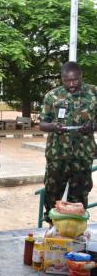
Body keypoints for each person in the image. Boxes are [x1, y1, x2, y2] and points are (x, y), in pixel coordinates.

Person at [39, 61, 96, 224]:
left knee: (79, 195)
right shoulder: (52, 96)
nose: (71, 84)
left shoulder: (93, 93)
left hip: (82, 154)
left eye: (75, 80)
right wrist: (53, 126)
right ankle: (52, 227)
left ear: (81, 77)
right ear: (62, 78)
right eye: (67, 80)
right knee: (52, 192)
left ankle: (76, 229)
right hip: (57, 155)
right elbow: (42, 124)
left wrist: (92, 126)